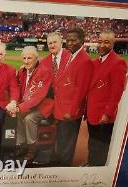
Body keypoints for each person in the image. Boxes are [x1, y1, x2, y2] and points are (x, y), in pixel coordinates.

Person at [86, 30, 127, 166]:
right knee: (92, 141)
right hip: (92, 111)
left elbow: (117, 92)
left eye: (107, 42)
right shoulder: (96, 62)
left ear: (113, 43)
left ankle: (97, 170)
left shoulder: (118, 63)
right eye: (100, 41)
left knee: (101, 145)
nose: (102, 45)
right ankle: (91, 163)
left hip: (103, 114)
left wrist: (108, 113)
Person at [53, 28, 93, 166]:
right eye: (67, 40)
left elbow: (81, 90)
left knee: (67, 142)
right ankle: (60, 163)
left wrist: (72, 110)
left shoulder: (85, 60)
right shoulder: (71, 55)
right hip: (62, 107)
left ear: (82, 41)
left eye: (73, 40)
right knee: (62, 139)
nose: (69, 43)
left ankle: (63, 169)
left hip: (70, 110)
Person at [9, 46, 54, 163]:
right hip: (28, 104)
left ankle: (32, 149)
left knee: (29, 119)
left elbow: (39, 96)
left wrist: (20, 108)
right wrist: (15, 104)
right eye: (24, 58)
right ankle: (22, 145)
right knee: (18, 116)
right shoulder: (22, 71)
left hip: (42, 106)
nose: (26, 61)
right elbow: (18, 90)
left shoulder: (44, 71)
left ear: (36, 58)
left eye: (29, 58)